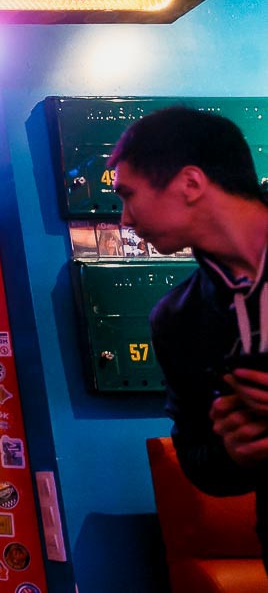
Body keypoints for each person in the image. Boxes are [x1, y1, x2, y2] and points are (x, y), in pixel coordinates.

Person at [109, 107, 268, 570]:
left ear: (190, 183)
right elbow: (198, 458)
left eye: (128, 195)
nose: (124, 220)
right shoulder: (177, 320)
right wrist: (235, 453)